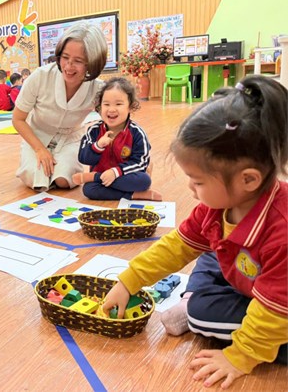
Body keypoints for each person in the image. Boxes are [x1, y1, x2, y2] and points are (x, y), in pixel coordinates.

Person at [102, 75, 287, 389]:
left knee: (201, 314)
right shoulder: (218, 207)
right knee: (211, 252)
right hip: (251, 277)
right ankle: (196, 297)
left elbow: (273, 311)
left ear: (248, 180)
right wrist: (129, 280)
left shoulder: (281, 234)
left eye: (198, 181)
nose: (190, 187)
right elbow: (177, 246)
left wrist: (239, 357)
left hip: (280, 306)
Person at [12, 22, 107, 191]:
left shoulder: (98, 88)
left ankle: (61, 168)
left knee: (64, 180)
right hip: (37, 136)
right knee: (37, 179)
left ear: (92, 63)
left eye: (78, 61)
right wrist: (39, 149)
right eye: (65, 57)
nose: (68, 66)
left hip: (70, 138)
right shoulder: (40, 76)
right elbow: (18, 119)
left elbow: (114, 122)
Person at [72, 77, 161, 201]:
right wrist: (97, 146)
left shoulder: (137, 133)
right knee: (89, 190)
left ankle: (95, 177)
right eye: (106, 104)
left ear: (130, 107)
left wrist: (116, 172)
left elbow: (140, 162)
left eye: (118, 104)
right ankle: (134, 194)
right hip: (104, 177)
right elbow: (83, 158)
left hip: (124, 174)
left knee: (144, 181)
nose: (111, 109)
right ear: (99, 107)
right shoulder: (93, 131)